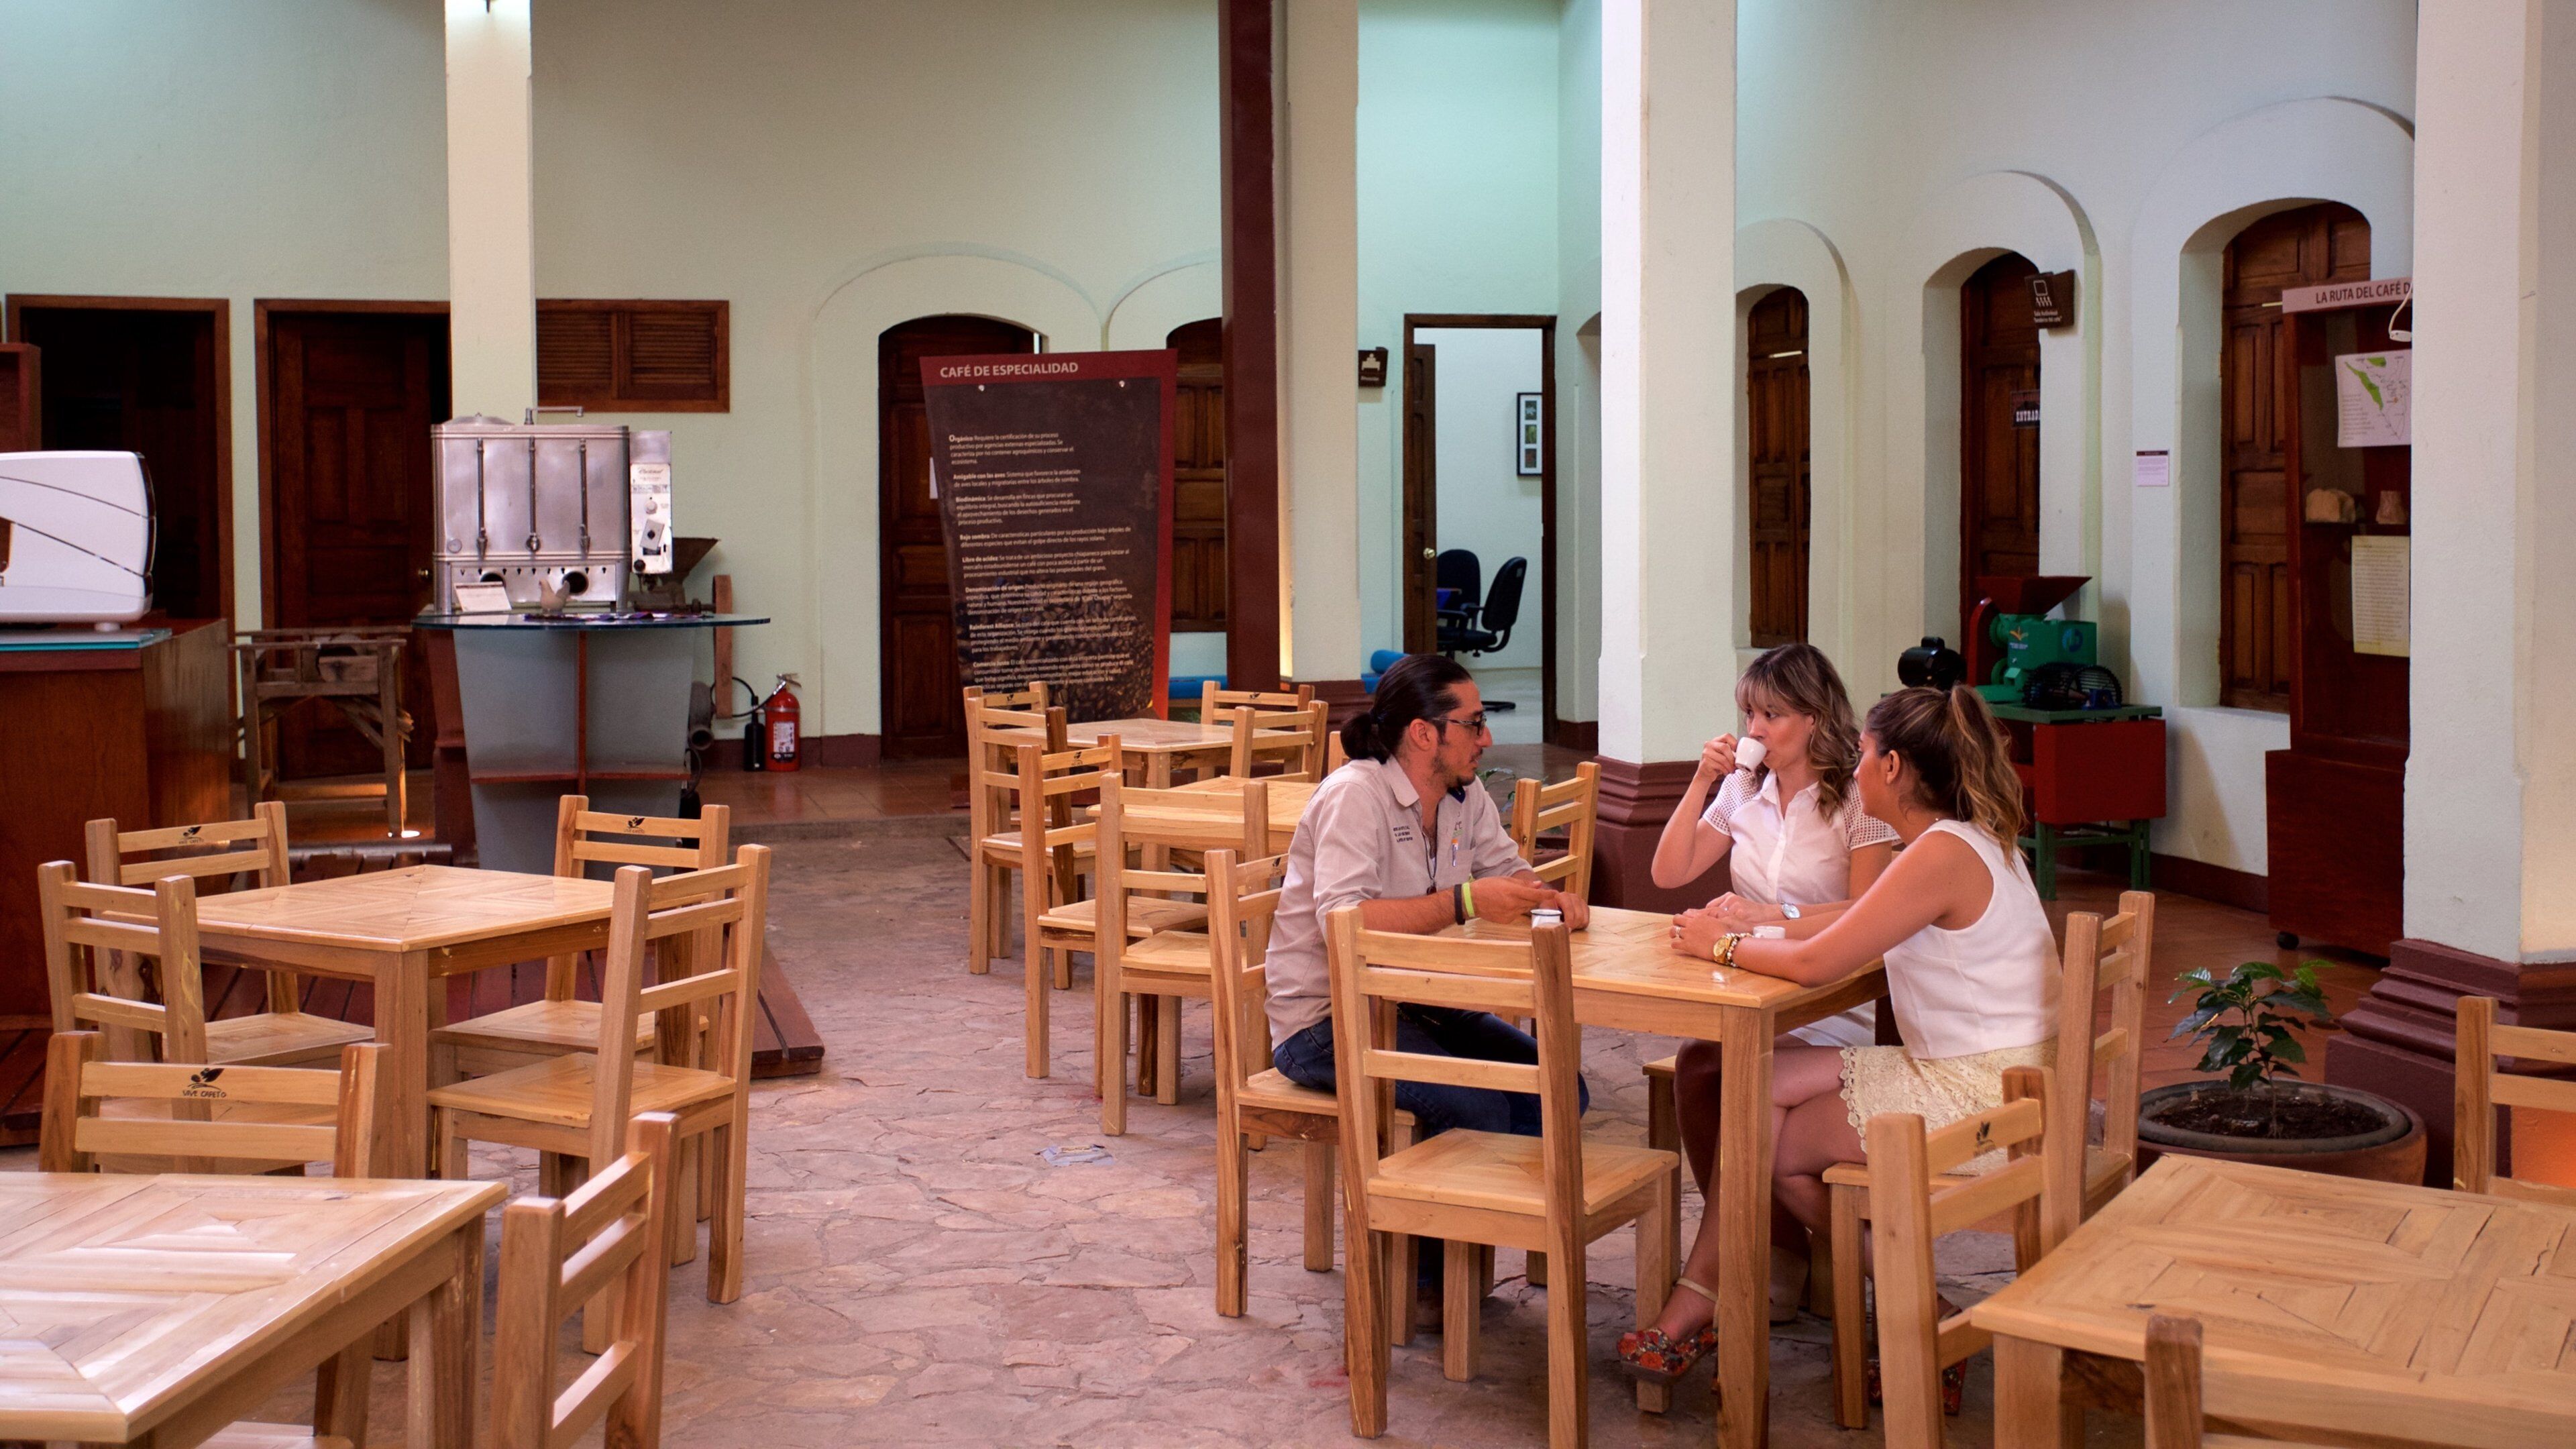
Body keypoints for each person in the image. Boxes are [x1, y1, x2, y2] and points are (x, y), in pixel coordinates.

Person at [1617, 684, 2059, 1387]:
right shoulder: (1960, 840)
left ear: (1893, 769)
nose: (1855, 771)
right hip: (1988, 1073)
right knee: (1745, 1088)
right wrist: (1753, 923)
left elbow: (1821, 961)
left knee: (1777, 1146)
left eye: (1863, 756)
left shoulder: (1937, 854)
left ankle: (1911, 1312)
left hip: (1984, 1099)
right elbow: (1845, 922)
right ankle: (1724, 1293)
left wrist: (1719, 949)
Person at [1645, 643, 1898, 1316]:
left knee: (1722, 1069)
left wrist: (1768, 916)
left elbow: (1865, 913)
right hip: (1751, 984)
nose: (1755, 730)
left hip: (1827, 997)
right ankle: (1779, 1250)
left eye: (1772, 715)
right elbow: (1669, 873)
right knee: (1700, 1065)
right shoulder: (1742, 790)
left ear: (1816, 718)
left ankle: (1769, 1261)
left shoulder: (1857, 799)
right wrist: (1701, 780)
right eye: (1750, 714)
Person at [1263, 651, 1591, 1139]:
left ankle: (1493, 1201)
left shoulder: (1465, 792)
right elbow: (1342, 923)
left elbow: (1509, 872)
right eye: (1474, 724)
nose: (1487, 739)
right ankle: (1430, 1207)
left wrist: (1550, 899)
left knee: (1560, 1088)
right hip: (1327, 1019)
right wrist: (1464, 902)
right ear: (1423, 733)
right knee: (1481, 1114)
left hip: (1417, 1000)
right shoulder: (1355, 795)